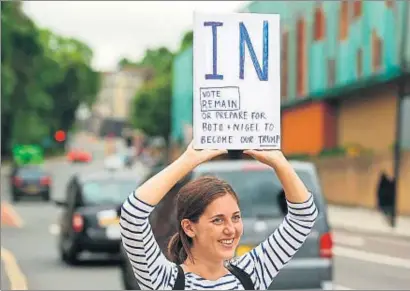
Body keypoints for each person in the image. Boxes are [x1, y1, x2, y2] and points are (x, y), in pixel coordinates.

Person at [120, 142, 318, 290]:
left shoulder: (251, 273)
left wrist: (279, 163)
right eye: (218, 220)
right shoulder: (165, 281)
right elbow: (132, 215)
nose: (230, 229)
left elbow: (304, 217)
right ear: (189, 227)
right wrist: (187, 161)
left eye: (236, 217)